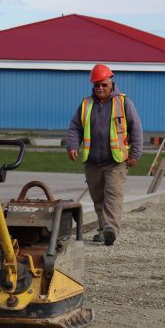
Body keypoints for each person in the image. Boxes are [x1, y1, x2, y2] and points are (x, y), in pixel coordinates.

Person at [67, 64, 143, 246]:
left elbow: (136, 129)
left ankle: (111, 229)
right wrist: (72, 146)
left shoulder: (124, 103)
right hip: (92, 161)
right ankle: (103, 230)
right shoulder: (86, 104)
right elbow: (75, 127)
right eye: (96, 85)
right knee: (98, 198)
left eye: (103, 84)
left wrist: (135, 154)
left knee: (113, 195)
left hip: (115, 161)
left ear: (111, 83)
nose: (100, 88)